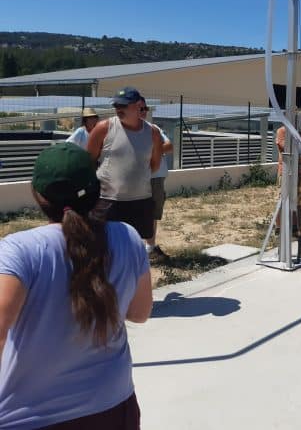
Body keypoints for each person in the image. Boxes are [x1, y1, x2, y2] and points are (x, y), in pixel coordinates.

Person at [0, 142, 152, 428]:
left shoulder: (17, 250)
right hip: (113, 406)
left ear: (38, 194)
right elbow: (140, 313)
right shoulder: (128, 237)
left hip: (29, 417)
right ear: (97, 191)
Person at [87, 86, 162, 240]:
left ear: (138, 105)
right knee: (105, 246)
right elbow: (88, 161)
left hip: (140, 200)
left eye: (123, 105)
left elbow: (155, 164)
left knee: (136, 245)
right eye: (116, 105)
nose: (118, 109)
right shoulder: (104, 128)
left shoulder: (153, 132)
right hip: (108, 201)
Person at [139, 98, 173, 261]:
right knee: (137, 212)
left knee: (153, 213)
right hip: (138, 178)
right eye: (141, 109)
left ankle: (150, 247)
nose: (144, 111)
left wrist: (151, 152)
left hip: (156, 177)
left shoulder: (154, 128)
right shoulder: (125, 131)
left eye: (146, 108)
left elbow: (169, 146)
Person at [275, 110, 301, 237]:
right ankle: (278, 227)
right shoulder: (282, 131)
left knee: (299, 199)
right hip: (285, 171)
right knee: (282, 199)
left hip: (299, 170)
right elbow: (284, 147)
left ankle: (297, 227)